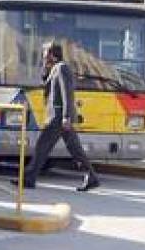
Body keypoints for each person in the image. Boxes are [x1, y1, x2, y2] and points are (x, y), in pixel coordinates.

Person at [24, 42, 100, 192]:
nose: (43, 57)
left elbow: (67, 93)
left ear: (52, 54)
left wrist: (66, 116)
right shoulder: (54, 69)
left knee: (42, 146)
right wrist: (45, 69)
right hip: (59, 117)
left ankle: (29, 178)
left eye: (45, 54)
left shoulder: (62, 68)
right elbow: (45, 84)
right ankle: (91, 177)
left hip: (58, 117)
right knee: (75, 149)